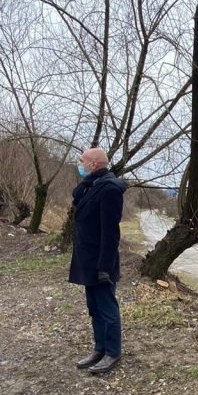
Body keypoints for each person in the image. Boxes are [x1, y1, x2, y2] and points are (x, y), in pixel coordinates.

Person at [70, 147, 127, 375]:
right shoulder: (91, 185)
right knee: (93, 307)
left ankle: (113, 352)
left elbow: (110, 233)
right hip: (87, 259)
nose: (80, 164)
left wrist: (105, 267)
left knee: (106, 308)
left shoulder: (110, 189)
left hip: (102, 261)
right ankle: (99, 348)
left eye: (82, 161)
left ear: (93, 164)